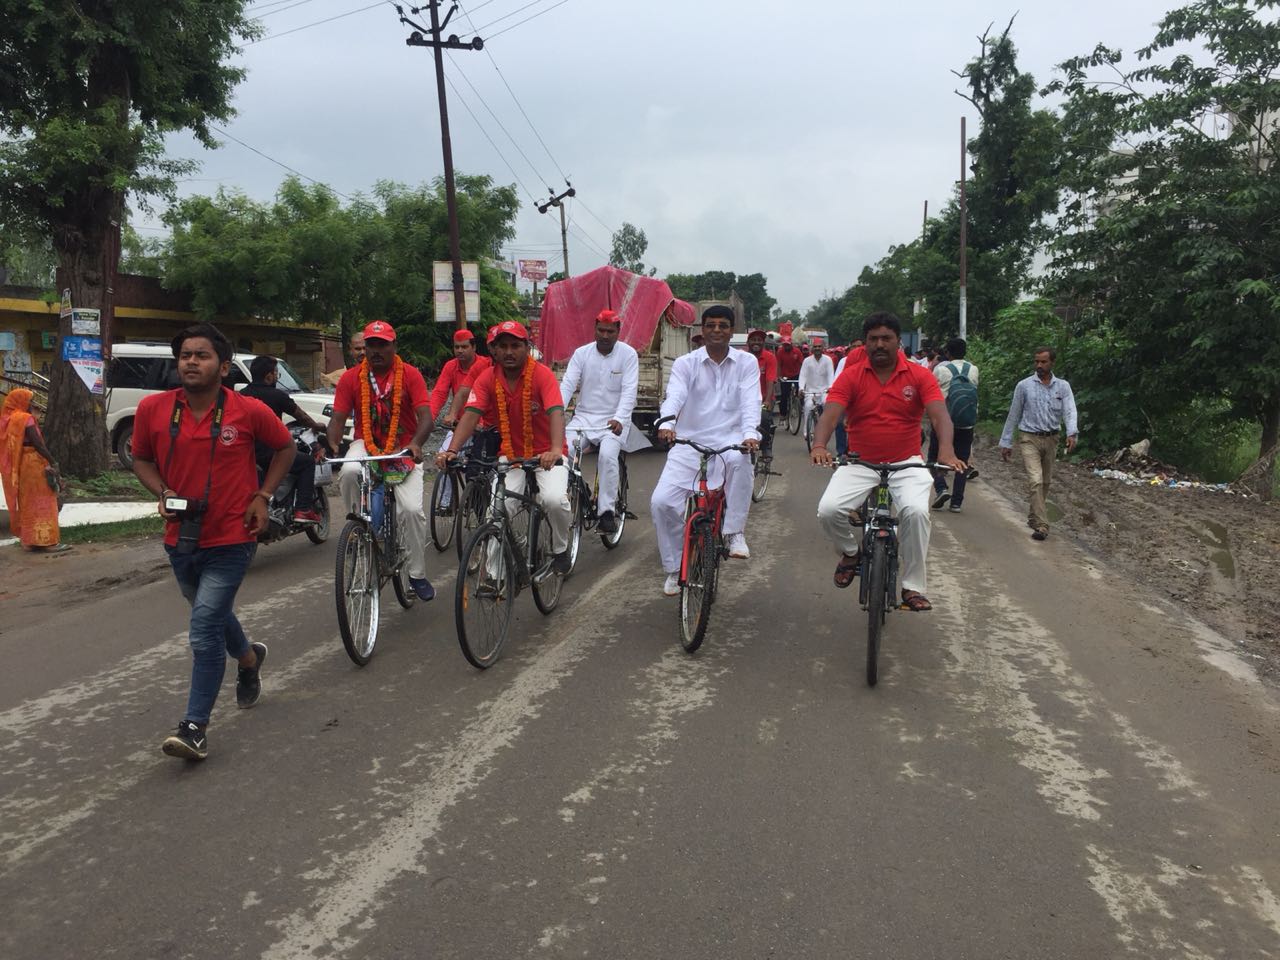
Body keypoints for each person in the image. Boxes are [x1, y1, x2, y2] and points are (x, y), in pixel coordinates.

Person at [131, 323, 296, 760]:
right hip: (179, 538)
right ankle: (248, 660)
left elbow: (285, 448)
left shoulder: (247, 410)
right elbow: (140, 457)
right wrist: (161, 492)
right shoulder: (153, 409)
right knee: (213, 613)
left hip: (233, 536)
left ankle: (194, 728)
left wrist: (262, 496)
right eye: (185, 355)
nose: (191, 362)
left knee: (204, 630)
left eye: (201, 356)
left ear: (223, 367)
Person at [810, 313, 965, 612]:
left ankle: (912, 587)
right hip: (860, 462)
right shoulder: (852, 375)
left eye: (886, 338)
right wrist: (819, 445)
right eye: (873, 339)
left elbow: (939, 415)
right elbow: (831, 414)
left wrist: (945, 450)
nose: (880, 344)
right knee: (828, 511)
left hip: (906, 463)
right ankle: (851, 553)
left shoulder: (919, 376)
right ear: (865, 344)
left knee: (917, 513)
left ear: (898, 342)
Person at [436, 320, 572, 572]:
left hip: (547, 455)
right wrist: (452, 449)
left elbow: (556, 412)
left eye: (515, 346)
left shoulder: (542, 374)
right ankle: (493, 576)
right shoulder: (487, 378)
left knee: (553, 500)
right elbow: (470, 415)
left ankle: (561, 548)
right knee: (496, 511)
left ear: (526, 348)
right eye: (503, 346)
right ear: (494, 350)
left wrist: (554, 449)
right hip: (512, 457)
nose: (509, 352)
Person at [651, 305, 761, 596]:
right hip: (690, 442)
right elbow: (675, 395)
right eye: (710, 325)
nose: (716, 331)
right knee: (662, 502)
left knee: (742, 460)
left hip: (731, 440)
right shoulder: (686, 363)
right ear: (702, 329)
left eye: (723, 326)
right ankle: (676, 568)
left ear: (731, 330)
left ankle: (734, 531)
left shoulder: (747, 362)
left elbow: (751, 401)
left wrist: (750, 434)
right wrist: (667, 423)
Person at [326, 320, 437, 599]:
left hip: (403, 448)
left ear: (393, 346)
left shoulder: (410, 375)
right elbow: (338, 419)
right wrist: (332, 443)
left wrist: (415, 444)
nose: (375, 351)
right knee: (350, 470)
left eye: (382, 345)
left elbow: (426, 417)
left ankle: (417, 575)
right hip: (366, 443)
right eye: (371, 345)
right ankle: (358, 526)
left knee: (411, 510)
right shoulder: (352, 378)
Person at [559, 308, 639, 534]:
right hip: (584, 418)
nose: (605, 336)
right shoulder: (581, 353)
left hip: (613, 421)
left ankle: (606, 512)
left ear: (618, 331)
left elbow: (629, 391)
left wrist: (620, 418)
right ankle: (565, 497)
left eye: (610, 331)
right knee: (563, 453)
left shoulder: (628, 354)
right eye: (601, 330)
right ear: (595, 329)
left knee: (606, 456)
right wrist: (554, 413)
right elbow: (567, 384)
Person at [999, 346, 1079, 541]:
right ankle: (1042, 525)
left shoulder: (1063, 387)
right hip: (1029, 438)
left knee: (1045, 482)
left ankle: (1034, 517)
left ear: (1052, 363)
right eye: (1037, 361)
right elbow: (1014, 414)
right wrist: (1006, 441)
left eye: (1043, 362)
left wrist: (1072, 433)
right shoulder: (1024, 386)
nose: (1039, 365)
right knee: (1035, 479)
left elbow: (1070, 410)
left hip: (1052, 438)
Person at [241, 355, 325, 524]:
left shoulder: (241, 395)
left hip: (247, 455)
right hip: (271, 455)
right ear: (269, 376)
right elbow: (300, 415)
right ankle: (303, 509)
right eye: (276, 373)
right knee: (307, 462)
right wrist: (316, 426)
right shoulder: (277, 396)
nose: (276, 377)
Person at [0, 388, 65, 551]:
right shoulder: (25, 419)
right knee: (45, 500)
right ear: (22, 402)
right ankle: (48, 542)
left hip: (21, 464)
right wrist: (53, 461)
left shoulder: (7, 419)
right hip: (34, 462)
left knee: (27, 501)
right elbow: (38, 444)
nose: (32, 404)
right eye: (29, 401)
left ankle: (29, 541)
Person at [929, 338, 980, 513]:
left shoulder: (941, 369)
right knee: (962, 461)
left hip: (944, 423)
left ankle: (941, 488)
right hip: (966, 423)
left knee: (933, 458)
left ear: (947, 353)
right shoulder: (973, 369)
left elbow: (932, 395)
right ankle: (957, 502)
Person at [744, 328, 777, 460]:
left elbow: (770, 380)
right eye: (753, 340)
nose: (756, 342)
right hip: (745, 399)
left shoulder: (769, 357)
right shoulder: (743, 357)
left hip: (764, 398)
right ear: (748, 342)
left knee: (763, 418)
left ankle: (766, 447)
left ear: (763, 343)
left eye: (759, 340)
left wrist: (767, 400)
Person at [797, 340, 835, 429]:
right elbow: (803, 375)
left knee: (826, 403)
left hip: (824, 391)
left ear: (823, 348)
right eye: (815, 346)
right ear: (812, 348)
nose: (817, 348)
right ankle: (807, 431)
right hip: (810, 391)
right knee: (808, 406)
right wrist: (801, 388)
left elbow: (830, 375)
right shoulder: (807, 361)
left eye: (819, 346)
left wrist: (830, 387)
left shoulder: (828, 360)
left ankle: (827, 426)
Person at [775, 336, 804, 419]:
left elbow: (802, 364)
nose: (786, 346)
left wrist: (803, 376)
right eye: (784, 345)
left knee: (800, 392)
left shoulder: (797, 351)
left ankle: (800, 407)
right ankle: (783, 414)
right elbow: (779, 365)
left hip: (796, 374)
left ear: (791, 344)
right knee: (784, 395)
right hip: (785, 376)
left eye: (787, 345)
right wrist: (779, 376)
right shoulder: (780, 352)